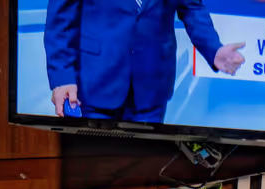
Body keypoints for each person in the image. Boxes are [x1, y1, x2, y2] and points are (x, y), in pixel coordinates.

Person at [44, 0, 246, 122]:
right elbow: (61, 19)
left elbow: (192, 8)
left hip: (152, 85)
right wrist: (62, 77)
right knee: (94, 167)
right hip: (95, 81)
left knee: (145, 170)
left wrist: (213, 49)